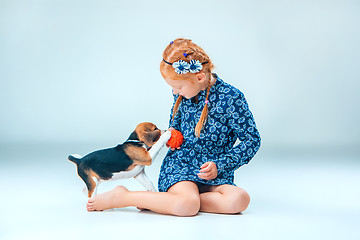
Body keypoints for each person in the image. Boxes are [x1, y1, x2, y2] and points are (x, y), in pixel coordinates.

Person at [86, 38, 261, 216]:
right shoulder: (183, 94)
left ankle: (165, 201)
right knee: (187, 206)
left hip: (214, 173)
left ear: (199, 77)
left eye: (178, 87)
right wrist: (171, 134)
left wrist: (220, 164)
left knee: (239, 199)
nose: (175, 92)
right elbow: (176, 127)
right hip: (181, 166)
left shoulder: (232, 98)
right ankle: (124, 196)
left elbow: (252, 140)